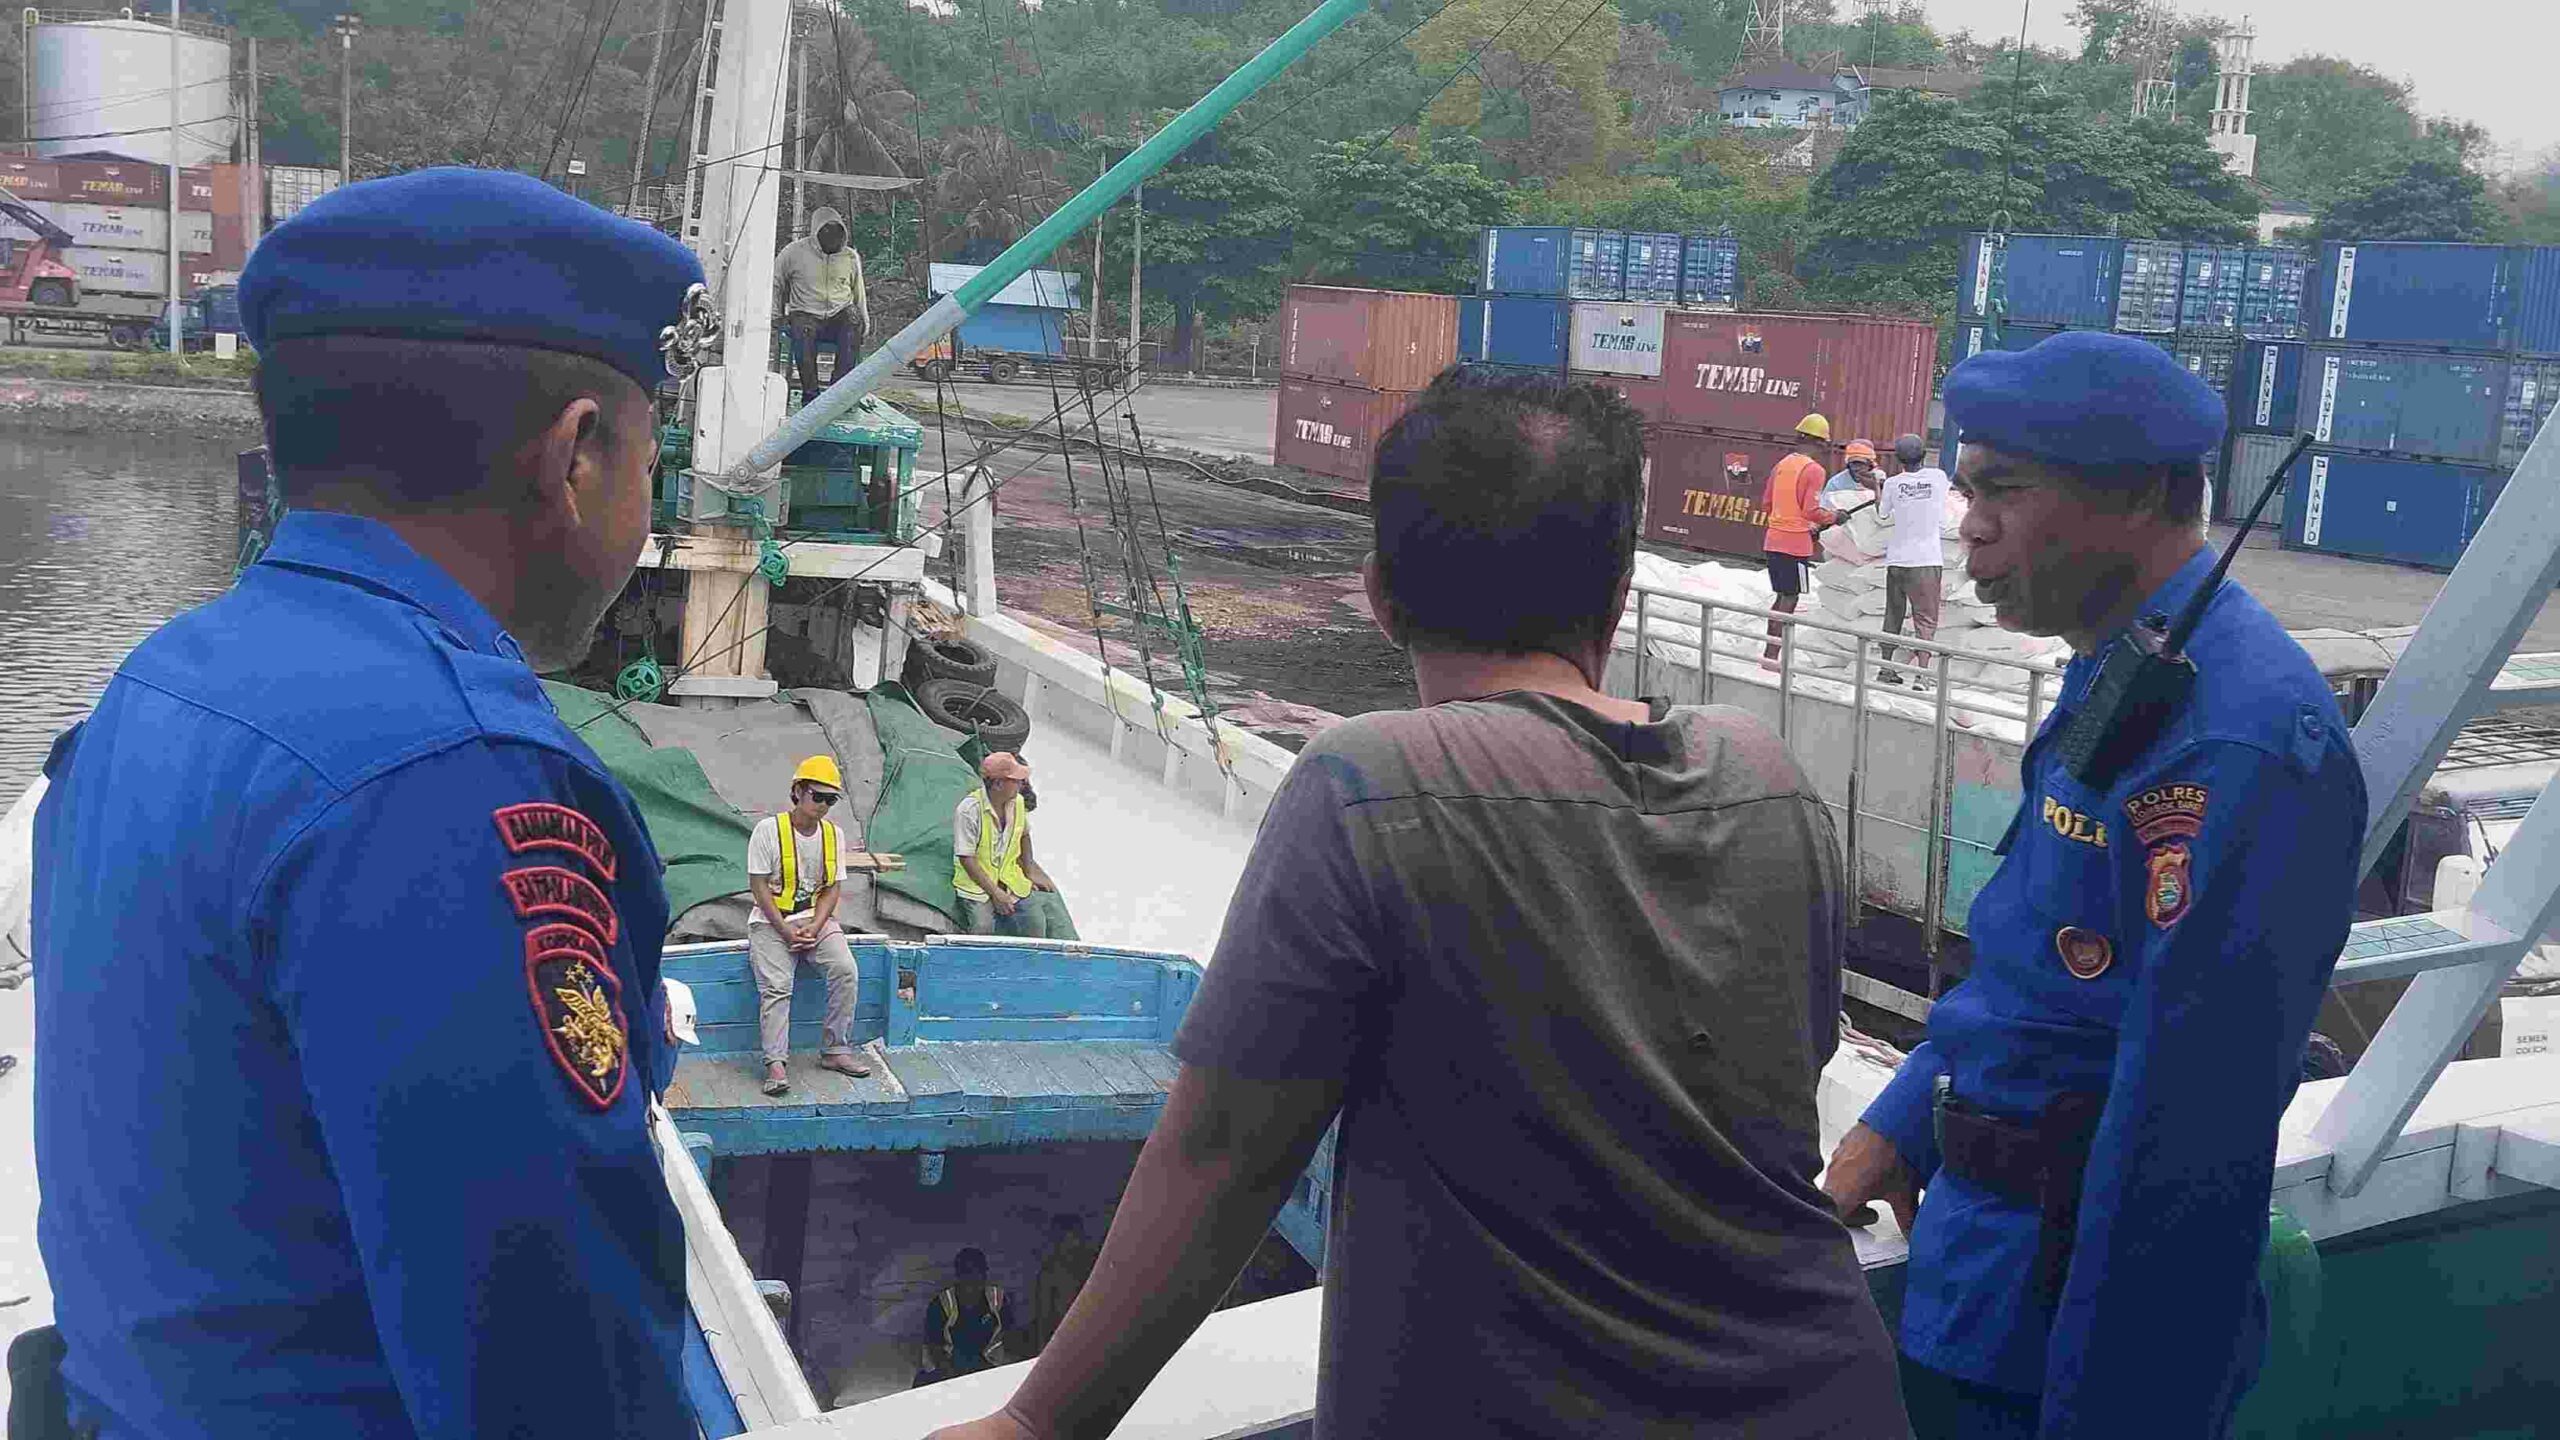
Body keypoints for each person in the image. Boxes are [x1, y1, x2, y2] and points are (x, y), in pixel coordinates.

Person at [925, 365, 1906, 1440]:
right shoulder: (1767, 778)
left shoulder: (1369, 786)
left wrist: (1039, 1423)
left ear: (1381, 593)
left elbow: (1225, 1153)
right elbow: (1786, 1068)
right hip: (1830, 1398)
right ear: (1617, 591)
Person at [29, 167, 703, 1438]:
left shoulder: (156, 689)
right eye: (649, 458)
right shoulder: (452, 778)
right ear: (575, 454)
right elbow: (548, 1372)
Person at [1821, 332, 2367, 1439]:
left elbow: (2187, 1144)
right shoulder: (2120, 667)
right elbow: (2042, 969)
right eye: (1968, 488)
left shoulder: (2237, 744)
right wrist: (1899, 1122)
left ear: (2144, 501)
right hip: (1973, 1275)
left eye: (2005, 492)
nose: (1967, 523)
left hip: (2067, 1330)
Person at [747, 753, 874, 1096]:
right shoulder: (767, 831)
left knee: (846, 970)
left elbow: (833, 888)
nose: (823, 806)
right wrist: (786, 931)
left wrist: (815, 928)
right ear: (798, 792)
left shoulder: (833, 835)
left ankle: (836, 1050)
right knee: (777, 986)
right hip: (771, 921)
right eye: (817, 796)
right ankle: (776, 1063)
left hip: (814, 921)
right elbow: (758, 887)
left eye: (830, 800)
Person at [952, 751, 1079, 940]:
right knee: (982, 927)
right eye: (1016, 780)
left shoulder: (1017, 803)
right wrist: (996, 893)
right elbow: (966, 858)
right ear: (998, 784)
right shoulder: (969, 811)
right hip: (976, 884)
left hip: (1009, 877)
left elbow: (1024, 836)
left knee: (1034, 919)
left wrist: (1029, 872)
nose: (1021, 785)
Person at [1761, 411, 1840, 668]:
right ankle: (1773, 658)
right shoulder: (1814, 470)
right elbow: (1811, 511)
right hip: (1797, 546)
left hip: (1773, 540)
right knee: (1791, 598)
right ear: (1819, 442)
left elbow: (1767, 503)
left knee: (1780, 596)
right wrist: (1834, 517)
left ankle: (1768, 654)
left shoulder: (1781, 465)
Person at [775, 205, 871, 404]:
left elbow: (858, 291)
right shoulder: (793, 252)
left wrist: (865, 322)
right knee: (803, 329)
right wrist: (776, 315)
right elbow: (776, 282)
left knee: (853, 320)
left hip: (838, 315)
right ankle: (810, 395)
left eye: (837, 235)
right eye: (827, 234)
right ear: (816, 233)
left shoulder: (850, 257)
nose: (832, 240)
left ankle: (837, 395)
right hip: (806, 314)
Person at [1876, 431, 1950, 686]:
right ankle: (1922, 675)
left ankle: (1885, 668)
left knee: (1893, 615)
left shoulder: (1893, 484)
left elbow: (1882, 514)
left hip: (1896, 559)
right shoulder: (1938, 477)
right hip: (1925, 560)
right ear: (1925, 454)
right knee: (1926, 619)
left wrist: (1878, 485)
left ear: (1898, 459)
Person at [919, 1249, 1016, 1385]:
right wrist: (952, 1377)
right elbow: (934, 1346)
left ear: (985, 1275)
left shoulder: (997, 1299)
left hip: (987, 1362)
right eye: (967, 1273)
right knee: (923, 1387)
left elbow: (1010, 1334)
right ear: (958, 1276)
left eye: (978, 1273)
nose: (973, 1279)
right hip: (951, 1363)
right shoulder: (942, 1303)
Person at [1028, 1214, 1099, 1355]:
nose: (1077, 1241)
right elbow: (1044, 1319)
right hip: (1065, 1340)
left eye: (1078, 1236)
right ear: (1059, 1240)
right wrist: (1042, 1353)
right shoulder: (1050, 1274)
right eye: (1071, 1237)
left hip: (1092, 1335)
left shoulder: (1092, 1264)